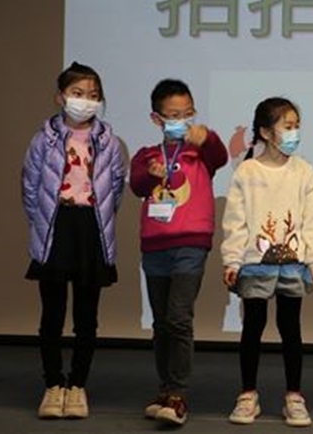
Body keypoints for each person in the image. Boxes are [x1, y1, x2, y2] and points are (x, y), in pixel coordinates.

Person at [20, 62, 125, 419]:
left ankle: (78, 385)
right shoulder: (43, 139)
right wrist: (44, 222)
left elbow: (115, 189)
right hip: (55, 228)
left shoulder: (109, 142)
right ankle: (53, 384)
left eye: (93, 95)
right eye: (78, 94)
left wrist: (98, 217)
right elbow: (30, 187)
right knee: (52, 314)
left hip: (91, 229)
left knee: (86, 316)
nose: (86, 101)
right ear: (61, 97)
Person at [220, 97, 313, 427]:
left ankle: (294, 396)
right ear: (266, 132)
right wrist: (232, 260)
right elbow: (235, 220)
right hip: (255, 262)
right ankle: (247, 394)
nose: (294, 133)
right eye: (287, 126)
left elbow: (312, 219)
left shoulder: (303, 171)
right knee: (252, 327)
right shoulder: (248, 171)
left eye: (297, 126)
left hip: (293, 263)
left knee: (290, 328)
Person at [130, 79, 228, 426]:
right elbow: (137, 186)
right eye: (173, 115)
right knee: (161, 324)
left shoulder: (199, 152)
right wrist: (150, 175)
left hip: (191, 243)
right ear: (156, 119)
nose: (181, 121)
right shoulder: (146, 155)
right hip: (155, 246)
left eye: (187, 114)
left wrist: (207, 138)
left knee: (178, 318)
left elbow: (220, 156)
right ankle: (164, 389)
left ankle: (178, 394)